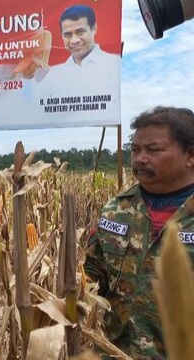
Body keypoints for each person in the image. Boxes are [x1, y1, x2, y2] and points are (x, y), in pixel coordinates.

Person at [84, 106, 194, 358]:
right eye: (135, 150)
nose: (140, 158)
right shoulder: (115, 210)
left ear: (191, 155)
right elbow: (89, 280)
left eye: (153, 150)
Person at [39, 4, 120, 94]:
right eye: (68, 35)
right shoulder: (54, 75)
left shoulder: (114, 64)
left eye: (80, 32)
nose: (74, 40)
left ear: (94, 28)